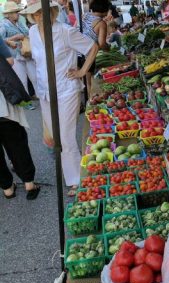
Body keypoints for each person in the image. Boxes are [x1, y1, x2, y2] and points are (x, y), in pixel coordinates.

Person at [24, 0, 98, 195]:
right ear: (32, 16)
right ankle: (71, 170)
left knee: (65, 135)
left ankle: (75, 179)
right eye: (36, 13)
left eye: (45, 12)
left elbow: (92, 47)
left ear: (53, 13)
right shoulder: (32, 32)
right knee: (57, 137)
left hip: (66, 90)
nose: (41, 16)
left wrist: (82, 71)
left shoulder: (65, 31)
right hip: (45, 91)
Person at [0, 39, 40, 200]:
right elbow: (9, 61)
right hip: (4, 106)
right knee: (16, 144)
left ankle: (7, 188)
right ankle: (29, 184)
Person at [0, 1, 36, 110]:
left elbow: (26, 33)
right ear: (8, 14)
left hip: (26, 53)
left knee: (35, 76)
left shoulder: (19, 22)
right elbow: (1, 40)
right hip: (15, 56)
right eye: (15, 12)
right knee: (22, 80)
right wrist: (14, 38)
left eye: (17, 12)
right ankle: (26, 102)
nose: (18, 14)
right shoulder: (3, 24)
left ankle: (38, 96)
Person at [82, 0, 109, 95]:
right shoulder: (101, 23)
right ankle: (90, 105)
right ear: (105, 10)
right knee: (89, 83)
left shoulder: (85, 16)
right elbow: (101, 44)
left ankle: (83, 103)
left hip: (77, 52)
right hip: (88, 54)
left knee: (81, 82)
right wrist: (108, 48)